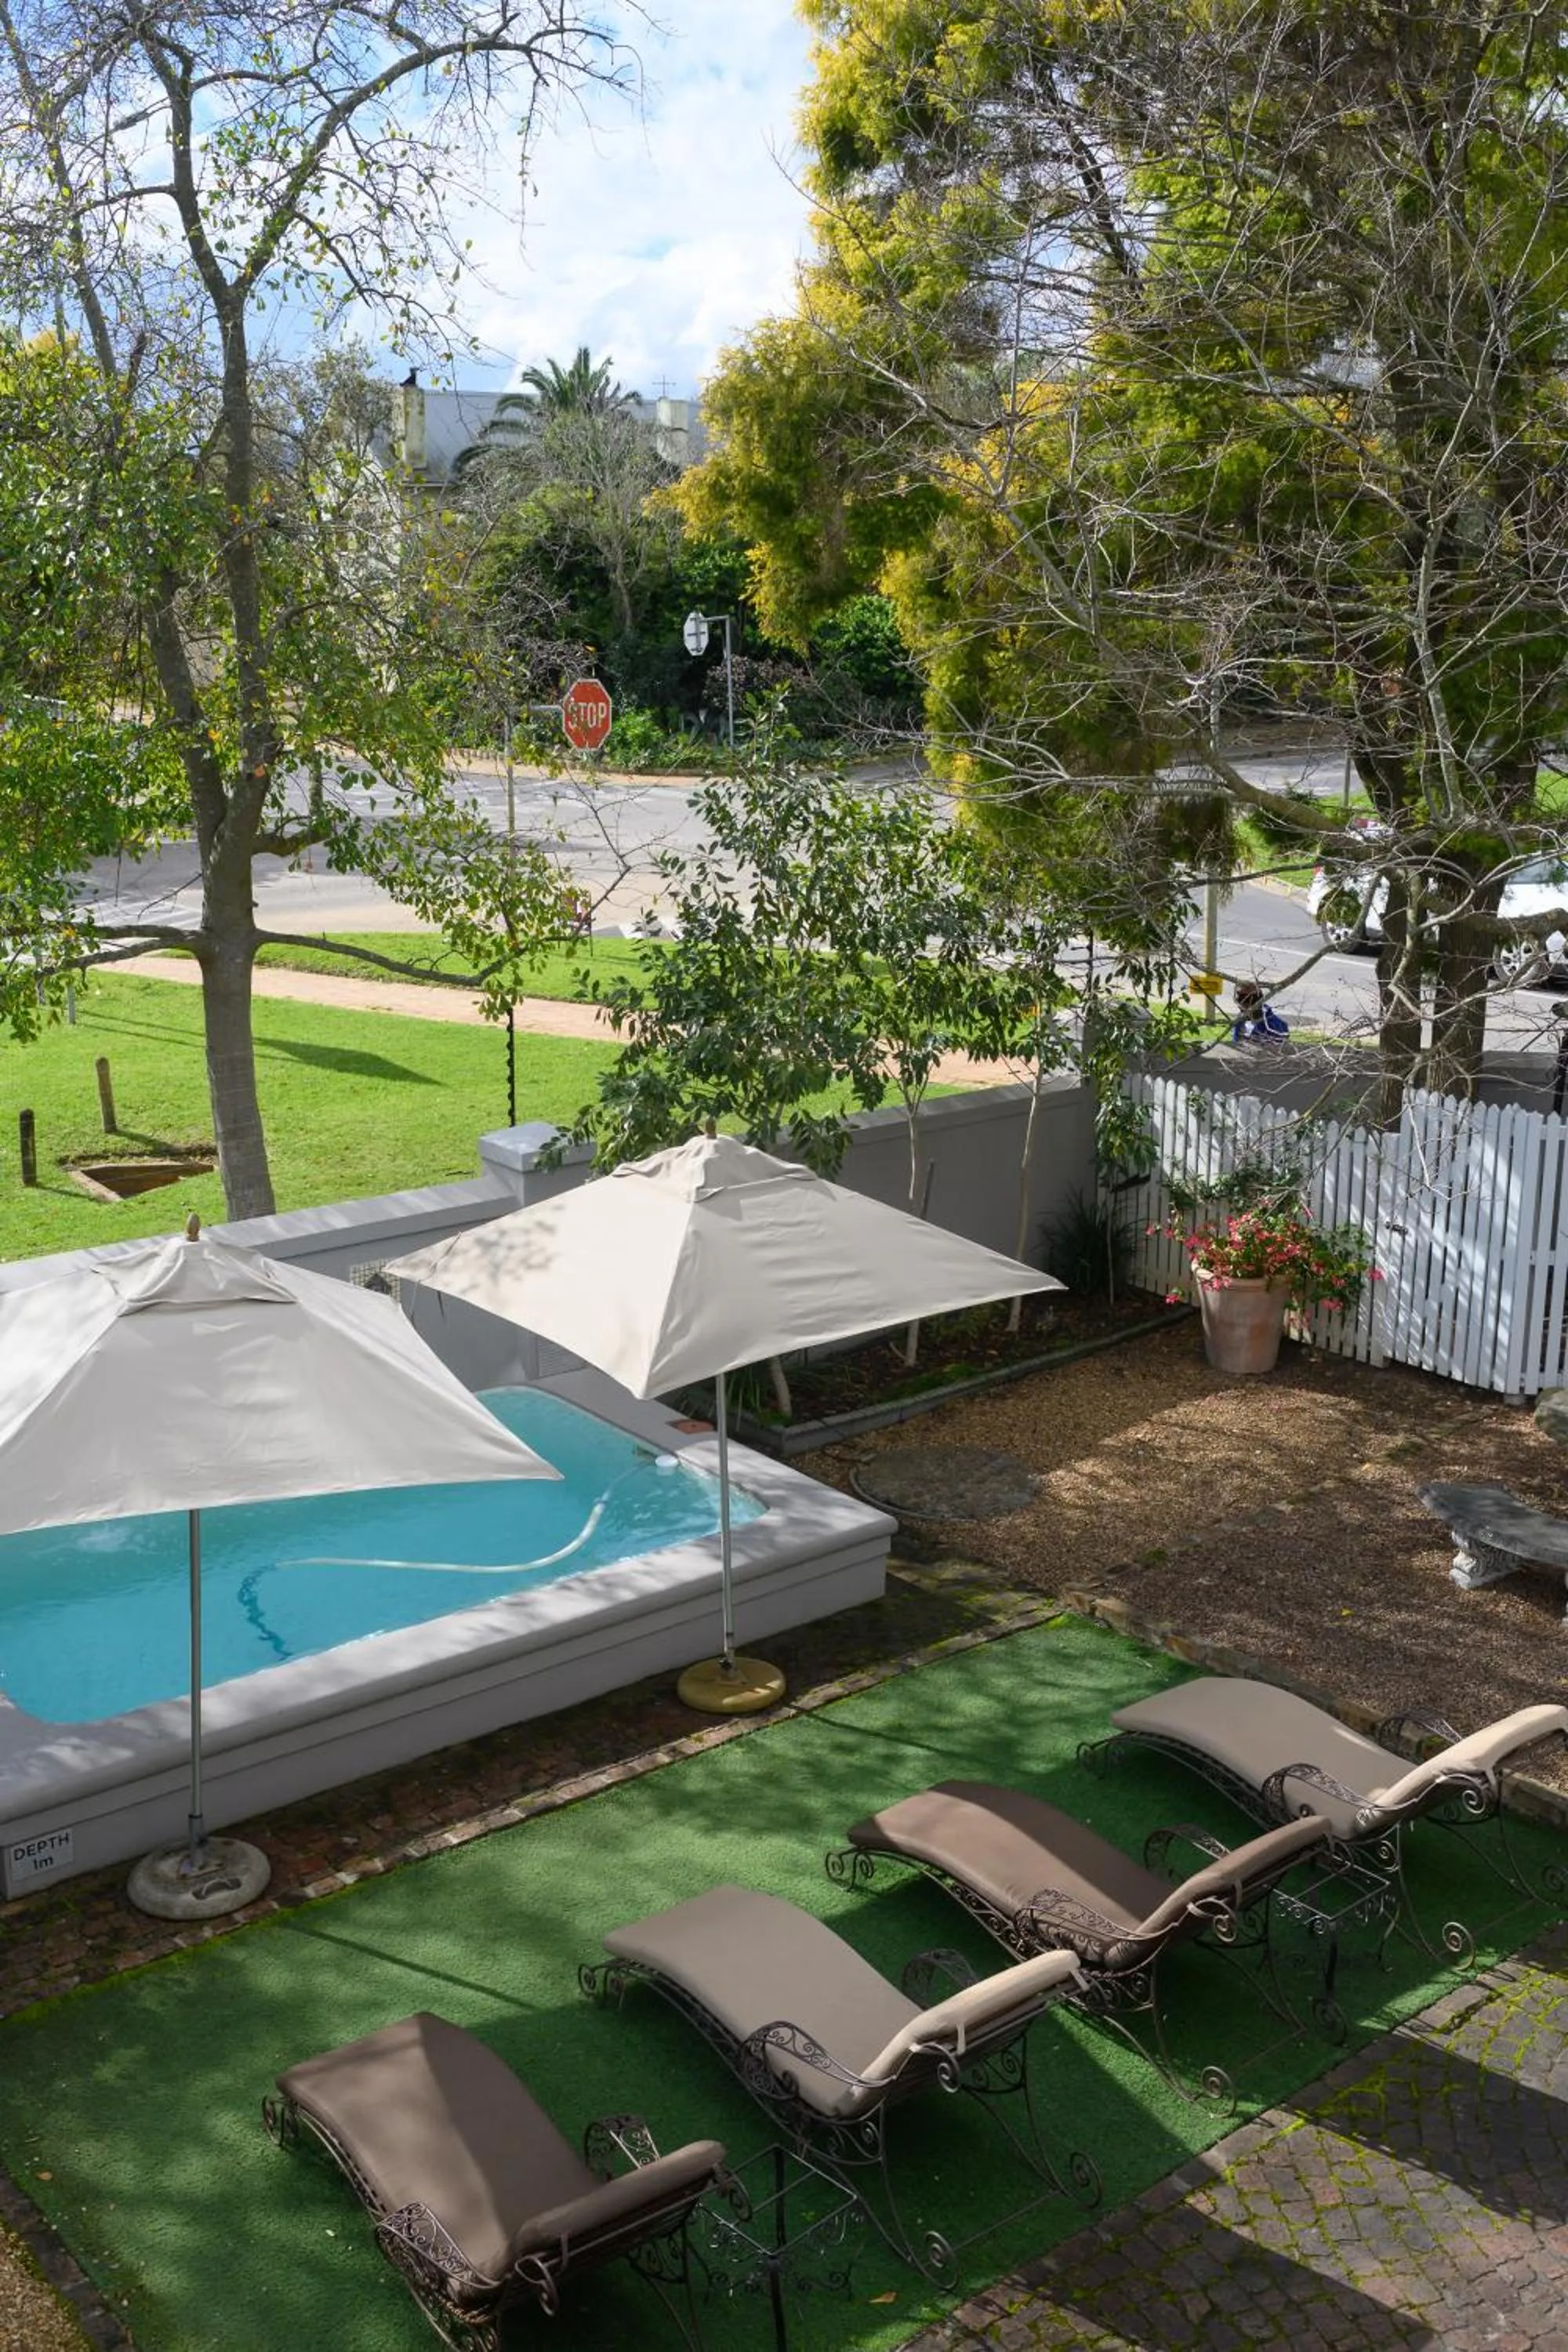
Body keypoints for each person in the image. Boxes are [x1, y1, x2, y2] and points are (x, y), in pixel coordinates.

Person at [1232, 980, 1290, 1044]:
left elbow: (1276, 1044)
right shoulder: (1240, 1020)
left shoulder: (1272, 1025)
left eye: (1242, 1006)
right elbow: (1236, 1041)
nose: (1240, 1009)